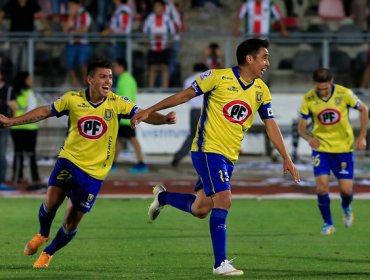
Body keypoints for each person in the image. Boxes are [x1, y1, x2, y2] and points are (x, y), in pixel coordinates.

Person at [131, 38, 300, 276]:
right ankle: (220, 263)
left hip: (229, 157)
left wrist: (287, 157)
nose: (267, 63)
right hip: (207, 149)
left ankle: (163, 197)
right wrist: (150, 110)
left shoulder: (261, 90)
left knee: (201, 209)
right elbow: (184, 95)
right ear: (249, 59)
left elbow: (271, 124)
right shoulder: (217, 77)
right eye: (264, 57)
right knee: (224, 200)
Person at [0, 58, 175, 268]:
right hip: (69, 161)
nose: (108, 80)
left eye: (110, 77)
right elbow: (45, 111)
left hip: (94, 174)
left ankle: (48, 252)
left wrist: (163, 119)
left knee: (71, 221)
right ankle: (43, 233)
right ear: (90, 79)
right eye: (103, 76)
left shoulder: (117, 102)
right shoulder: (72, 99)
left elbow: (143, 115)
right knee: (51, 203)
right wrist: (12, 121)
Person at [298, 68, 368, 235]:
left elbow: (364, 109)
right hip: (321, 149)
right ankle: (328, 223)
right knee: (321, 188)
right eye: (319, 88)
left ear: (331, 81)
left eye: (325, 88)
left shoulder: (344, 93)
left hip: (343, 148)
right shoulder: (309, 97)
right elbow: (301, 128)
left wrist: (362, 136)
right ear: (315, 84)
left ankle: (346, 206)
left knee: (346, 191)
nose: (322, 92)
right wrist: (309, 138)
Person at [113, 57, 148, 173]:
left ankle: (141, 163)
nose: (114, 69)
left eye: (115, 67)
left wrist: (122, 113)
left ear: (121, 67)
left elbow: (125, 100)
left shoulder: (126, 80)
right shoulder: (125, 79)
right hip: (124, 117)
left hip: (125, 117)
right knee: (118, 140)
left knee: (132, 140)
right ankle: (114, 162)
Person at [171, 62, 208, 168]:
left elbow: (185, 97)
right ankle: (207, 161)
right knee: (209, 136)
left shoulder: (189, 80)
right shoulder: (209, 78)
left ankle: (179, 155)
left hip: (194, 111)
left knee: (192, 135)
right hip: (207, 110)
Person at [0, 0, 51, 74]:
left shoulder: (32, 3)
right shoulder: (12, 3)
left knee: (25, 64)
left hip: (28, 39)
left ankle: (23, 83)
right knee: (14, 63)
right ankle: (16, 82)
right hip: (15, 38)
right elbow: (1, 13)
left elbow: (41, 15)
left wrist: (46, 27)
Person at [10, 71, 40, 184]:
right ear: (24, 80)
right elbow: (32, 111)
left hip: (15, 127)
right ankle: (34, 178)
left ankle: (16, 177)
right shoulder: (29, 93)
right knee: (31, 154)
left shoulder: (13, 92)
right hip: (30, 128)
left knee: (18, 153)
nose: (31, 81)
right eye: (29, 79)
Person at [142, 0, 175, 88]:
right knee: (152, 68)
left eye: (159, 7)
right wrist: (147, 43)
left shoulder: (167, 19)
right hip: (153, 47)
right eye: (155, 7)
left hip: (164, 46)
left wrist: (169, 43)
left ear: (162, 8)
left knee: (164, 68)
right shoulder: (150, 18)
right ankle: (151, 88)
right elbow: (145, 31)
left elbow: (172, 32)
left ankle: (165, 88)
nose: (157, 9)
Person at [62, 0, 92, 87]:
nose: (70, 7)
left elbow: (84, 31)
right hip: (71, 44)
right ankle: (75, 86)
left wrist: (73, 32)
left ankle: (86, 84)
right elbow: (64, 30)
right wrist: (71, 16)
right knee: (69, 64)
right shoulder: (67, 16)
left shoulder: (85, 14)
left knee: (82, 62)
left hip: (83, 44)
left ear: (77, 5)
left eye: (72, 5)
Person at [0, 68, 16, 188]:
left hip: (2, 127)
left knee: (1, 154)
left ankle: (1, 181)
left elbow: (14, 107)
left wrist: (11, 122)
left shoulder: (9, 89)